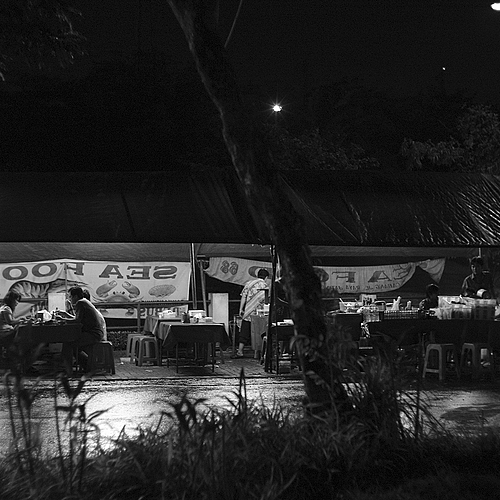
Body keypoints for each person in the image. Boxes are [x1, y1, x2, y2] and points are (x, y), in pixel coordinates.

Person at [57, 286, 106, 372]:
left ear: (75, 296)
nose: (69, 299)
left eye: (70, 297)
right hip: (95, 333)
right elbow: (77, 319)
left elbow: (77, 321)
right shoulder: (84, 302)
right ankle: (88, 366)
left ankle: (67, 370)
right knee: (73, 346)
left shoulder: (80, 303)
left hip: (93, 334)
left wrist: (62, 320)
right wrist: (65, 314)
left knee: (68, 343)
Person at [234, 268, 270, 358]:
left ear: (257, 275)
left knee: (244, 331)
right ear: (266, 277)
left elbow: (243, 297)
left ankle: (240, 351)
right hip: (260, 313)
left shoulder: (249, 283)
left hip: (248, 311)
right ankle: (259, 353)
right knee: (260, 332)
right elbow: (266, 300)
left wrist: (241, 309)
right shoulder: (265, 285)